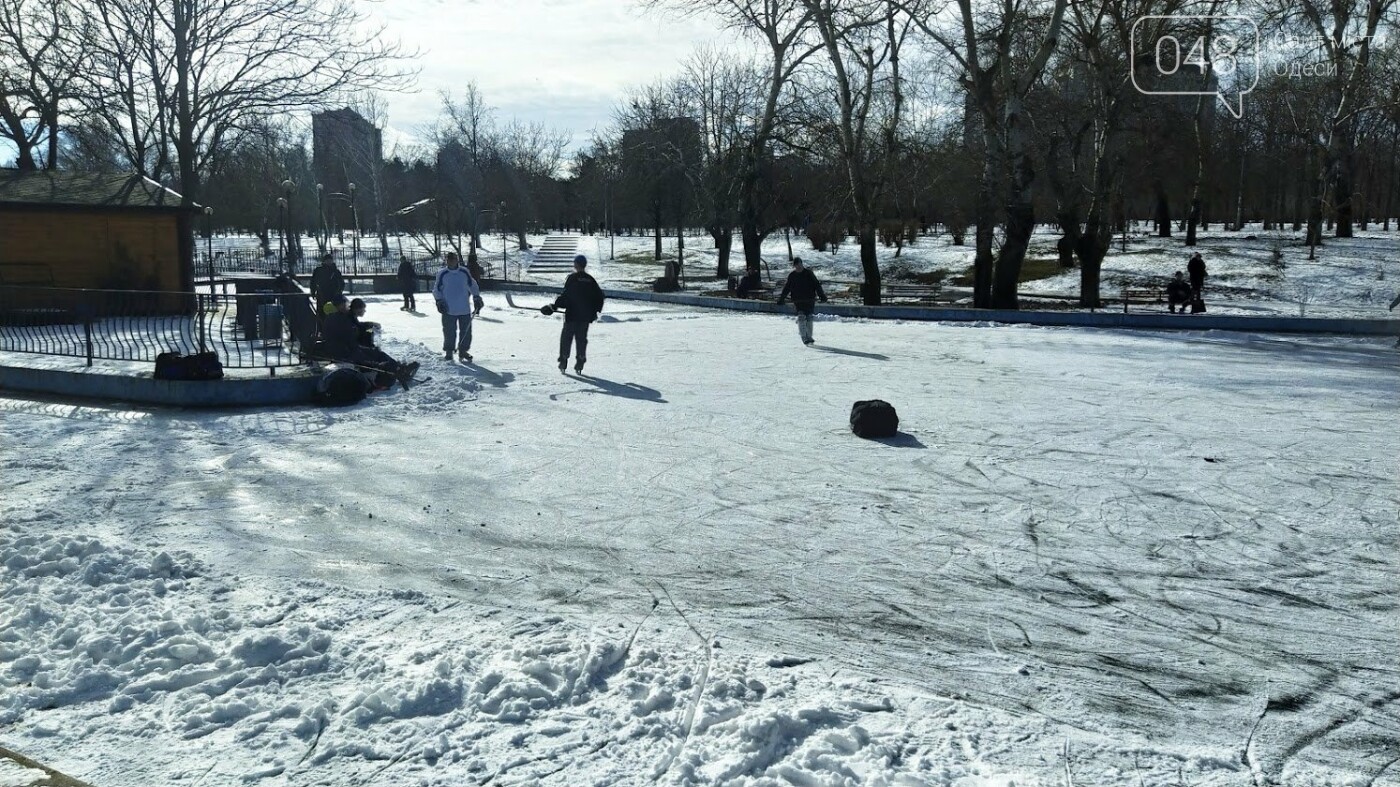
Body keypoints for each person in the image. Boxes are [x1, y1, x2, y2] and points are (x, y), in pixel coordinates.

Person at [319, 296, 419, 390]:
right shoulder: (338, 320)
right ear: (340, 306)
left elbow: (355, 328)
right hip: (345, 352)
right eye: (345, 304)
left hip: (350, 348)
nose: (347, 306)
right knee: (372, 360)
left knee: (376, 353)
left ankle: (399, 367)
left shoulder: (338, 317)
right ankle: (396, 370)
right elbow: (346, 339)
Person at [553, 254, 605, 373]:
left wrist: (555, 305)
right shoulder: (591, 280)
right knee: (581, 339)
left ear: (576, 264)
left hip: (572, 315)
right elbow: (600, 296)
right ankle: (580, 361)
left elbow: (566, 295)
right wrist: (595, 311)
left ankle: (564, 360)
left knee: (566, 338)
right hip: (585, 317)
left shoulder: (572, 278)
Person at [432, 251, 484, 362]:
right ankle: (449, 351)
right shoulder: (442, 274)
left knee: (466, 331)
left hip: (464, 308)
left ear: (457, 260)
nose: (451, 261)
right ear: (447, 261)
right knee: (449, 331)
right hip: (448, 309)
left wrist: (476, 297)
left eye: (453, 259)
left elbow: (473, 285)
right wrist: (439, 301)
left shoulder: (464, 272)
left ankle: (463, 351)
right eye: (449, 259)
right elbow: (437, 289)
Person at [776, 257, 828, 345]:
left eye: (799, 264)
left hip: (809, 299)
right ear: (794, 266)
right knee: (801, 317)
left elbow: (817, 285)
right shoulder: (792, 276)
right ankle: (804, 337)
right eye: (796, 265)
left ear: (802, 264)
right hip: (798, 300)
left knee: (809, 317)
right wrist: (782, 298)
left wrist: (822, 296)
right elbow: (787, 288)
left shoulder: (809, 273)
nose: (798, 267)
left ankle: (809, 336)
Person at [309, 253, 344, 321]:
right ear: (324, 261)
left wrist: (339, 292)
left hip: (333, 296)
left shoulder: (336, 271)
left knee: (333, 314)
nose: (328, 262)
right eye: (327, 260)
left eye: (330, 260)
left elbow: (341, 283)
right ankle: (322, 329)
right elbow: (313, 282)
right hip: (322, 295)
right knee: (321, 315)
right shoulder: (318, 270)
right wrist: (313, 292)